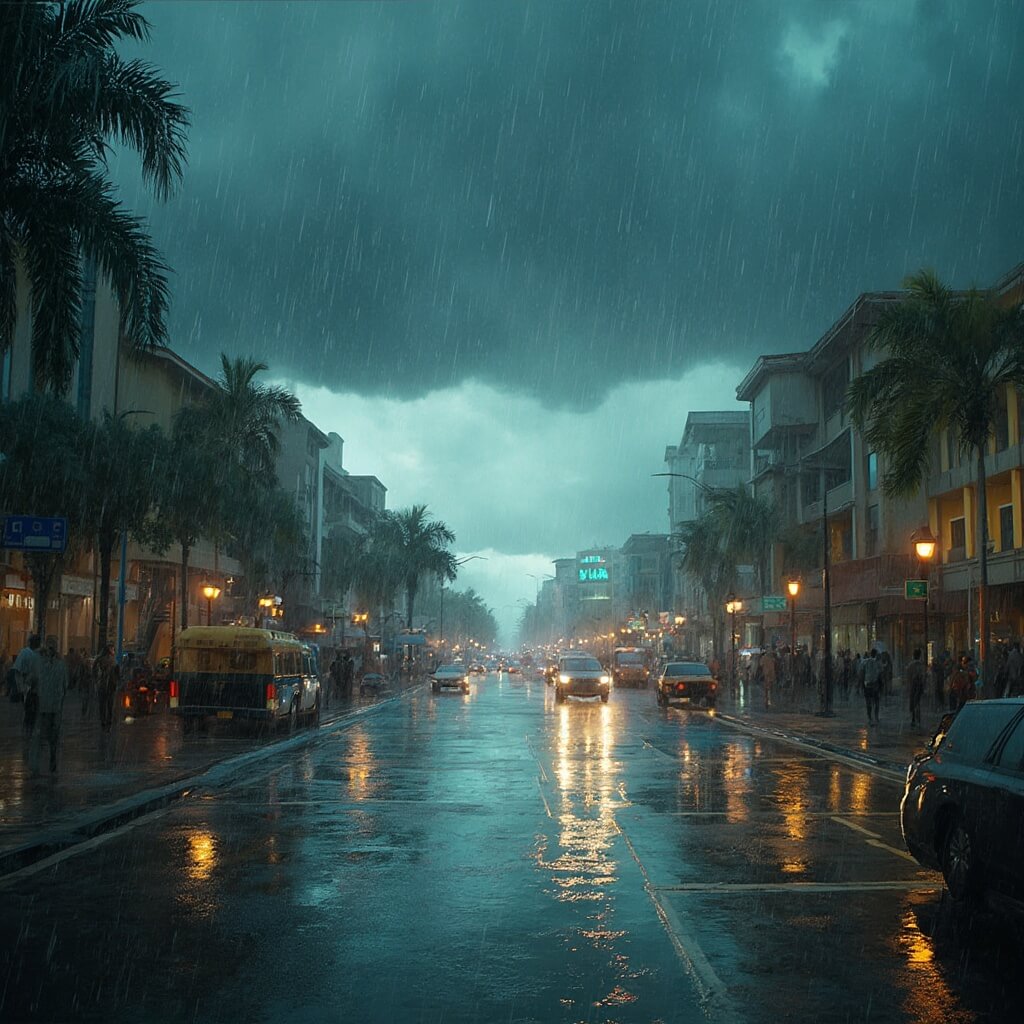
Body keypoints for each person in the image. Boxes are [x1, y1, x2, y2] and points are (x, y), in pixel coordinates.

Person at [30, 636, 68, 774]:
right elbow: (65, 685)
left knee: (42, 734)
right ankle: (51, 760)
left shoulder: (40, 663)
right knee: (53, 735)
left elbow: (32, 680)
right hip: (54, 706)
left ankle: (39, 763)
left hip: (46, 705)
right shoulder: (60, 665)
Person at [14, 635, 42, 737]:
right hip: (30, 687)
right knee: (31, 710)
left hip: (30, 687)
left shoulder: (28, 653)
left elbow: (18, 670)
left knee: (29, 711)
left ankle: (29, 730)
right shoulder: (37, 655)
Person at [93, 643, 120, 732]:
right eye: (113, 649)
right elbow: (117, 674)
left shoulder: (98, 660)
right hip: (111, 686)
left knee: (102, 704)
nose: (114, 651)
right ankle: (109, 720)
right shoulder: (113, 661)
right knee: (110, 704)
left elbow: (94, 672)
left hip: (101, 685)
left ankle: (103, 720)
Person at [906, 648, 926, 728]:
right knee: (917, 702)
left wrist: (908, 686)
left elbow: (908, 677)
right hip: (919, 685)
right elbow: (923, 676)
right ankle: (918, 719)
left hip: (913, 686)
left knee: (912, 703)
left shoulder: (911, 665)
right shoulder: (921, 665)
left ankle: (914, 719)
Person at [862, 648, 882, 725]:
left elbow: (862, 672)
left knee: (868, 702)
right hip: (875, 685)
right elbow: (880, 673)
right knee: (876, 702)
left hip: (867, 684)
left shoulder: (865, 662)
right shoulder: (878, 663)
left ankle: (869, 717)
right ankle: (876, 717)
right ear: (876, 654)